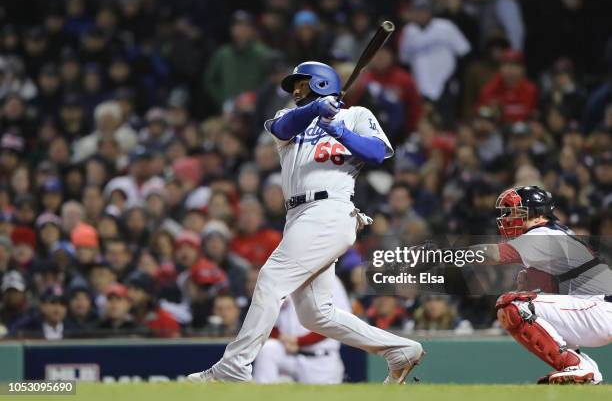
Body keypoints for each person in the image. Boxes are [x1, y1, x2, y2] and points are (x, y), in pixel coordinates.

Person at [188, 61, 424, 384]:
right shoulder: (291, 118)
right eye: (295, 86)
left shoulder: (354, 115)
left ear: (323, 83)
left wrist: (339, 129)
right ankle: (399, 350)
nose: (296, 90)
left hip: (330, 209)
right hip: (298, 215)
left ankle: (234, 366)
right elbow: (282, 129)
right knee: (315, 314)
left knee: (270, 280)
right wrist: (316, 109)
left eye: (302, 84)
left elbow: (376, 154)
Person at [465, 186, 612, 384]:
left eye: (514, 211)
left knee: (513, 305)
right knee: (528, 304)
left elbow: (492, 254)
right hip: (595, 310)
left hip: (601, 311)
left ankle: (576, 365)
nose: (507, 217)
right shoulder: (553, 233)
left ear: (536, 215)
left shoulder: (542, 233)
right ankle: (585, 369)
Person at [253, 274, 350, 384]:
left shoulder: (330, 280)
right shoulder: (283, 279)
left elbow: (335, 324)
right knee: (268, 349)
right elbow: (271, 322)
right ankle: (263, 395)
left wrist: (299, 342)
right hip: (288, 353)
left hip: (320, 360)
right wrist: (282, 339)